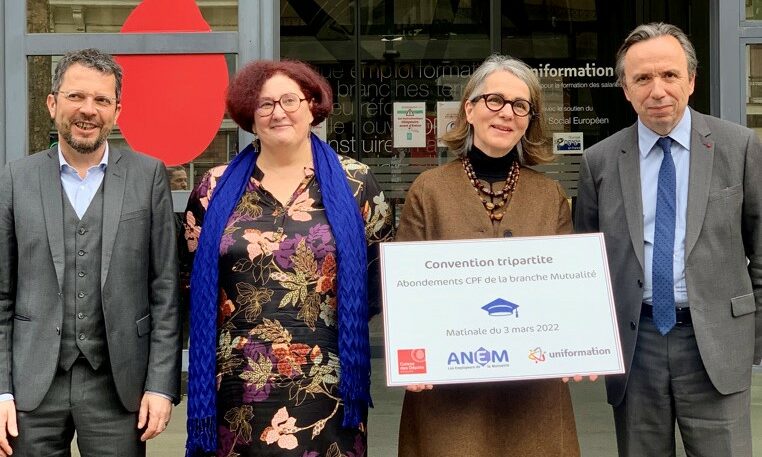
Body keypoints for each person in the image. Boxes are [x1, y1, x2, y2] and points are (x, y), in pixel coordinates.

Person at [183, 59, 393, 456]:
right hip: (236, 390)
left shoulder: (357, 184)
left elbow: (377, 281)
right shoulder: (213, 188)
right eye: (264, 105)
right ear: (250, 115)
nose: (278, 112)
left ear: (312, 105)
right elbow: (193, 283)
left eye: (290, 100)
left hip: (328, 387)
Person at [575, 22, 762, 457]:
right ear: (625, 88)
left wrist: (749, 337)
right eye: (642, 78)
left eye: (670, 75)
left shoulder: (740, 147)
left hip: (716, 344)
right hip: (635, 346)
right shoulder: (598, 161)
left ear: (691, 81)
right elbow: (588, 262)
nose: (657, 89)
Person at [396, 54, 582, 456]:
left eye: (520, 105)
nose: (506, 113)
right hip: (451, 397)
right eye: (494, 100)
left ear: (530, 119)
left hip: (533, 399)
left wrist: (579, 343)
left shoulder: (549, 195)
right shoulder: (428, 190)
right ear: (470, 108)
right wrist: (410, 354)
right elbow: (406, 290)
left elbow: (569, 292)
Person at [0, 48, 181, 457]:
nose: (88, 110)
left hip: (119, 387)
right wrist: (0, 392)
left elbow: (165, 290)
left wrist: (160, 384)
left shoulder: (147, 176)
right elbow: (1, 296)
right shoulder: (15, 179)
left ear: (117, 110)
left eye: (102, 100)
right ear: (52, 103)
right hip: (31, 389)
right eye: (76, 96)